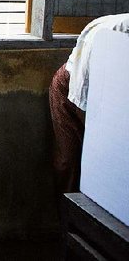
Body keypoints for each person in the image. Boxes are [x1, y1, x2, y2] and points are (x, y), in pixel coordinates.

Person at [49, 13, 129, 194]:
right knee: (68, 161)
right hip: (69, 87)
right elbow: (81, 91)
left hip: (98, 90)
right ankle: (68, 219)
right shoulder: (110, 35)